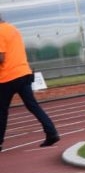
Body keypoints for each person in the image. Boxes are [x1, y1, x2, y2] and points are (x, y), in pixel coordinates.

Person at [0, 16, 60, 151]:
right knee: (33, 106)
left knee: (2, 111)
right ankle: (51, 132)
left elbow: (1, 57)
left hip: (7, 77)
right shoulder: (13, 29)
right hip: (23, 72)